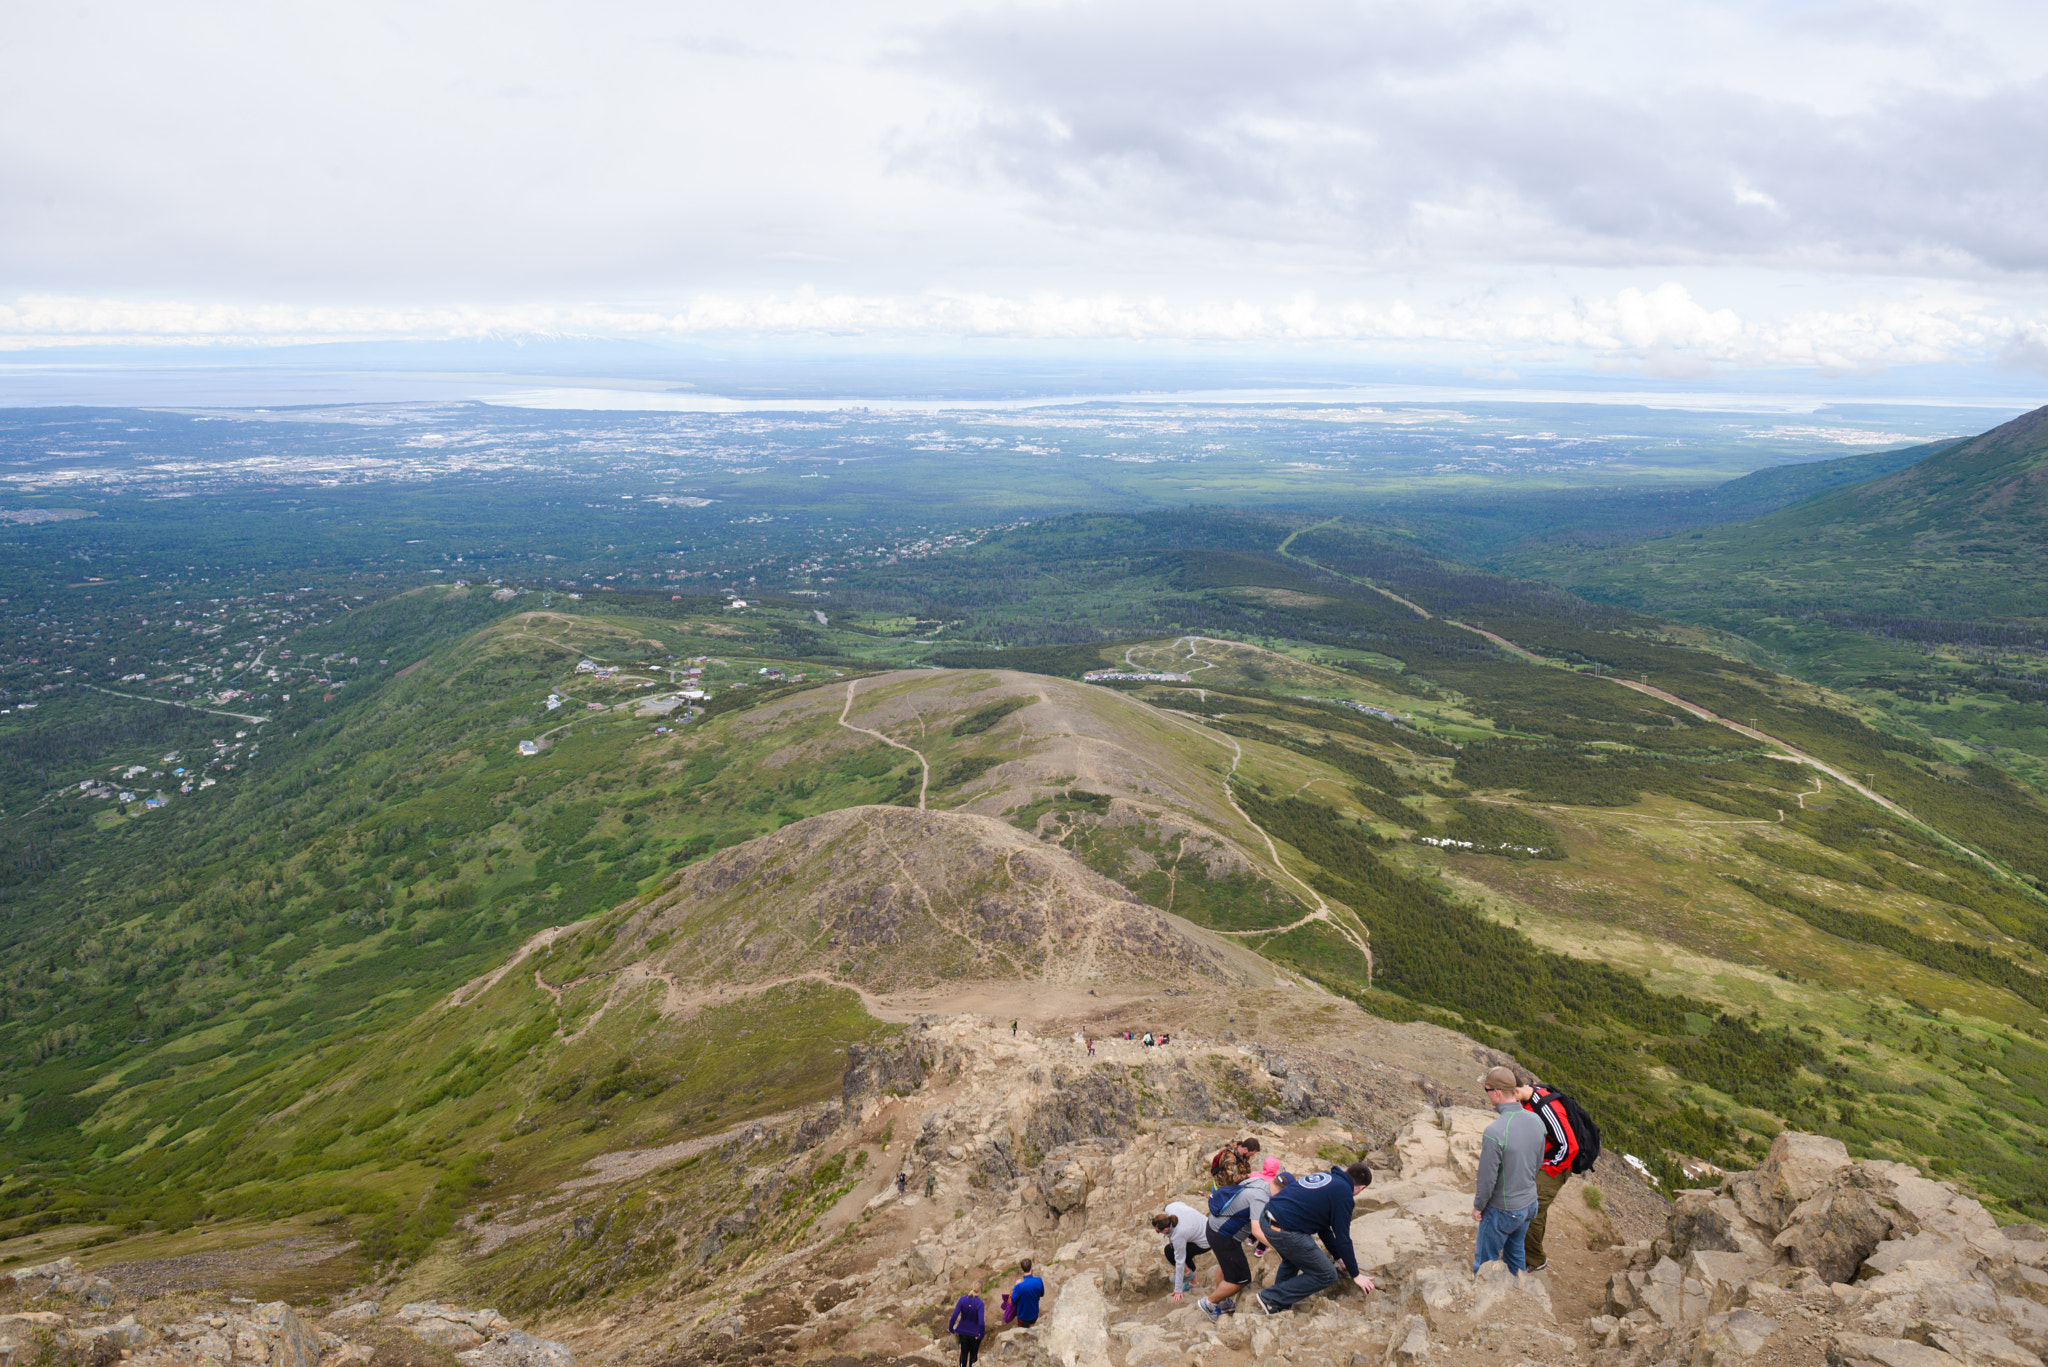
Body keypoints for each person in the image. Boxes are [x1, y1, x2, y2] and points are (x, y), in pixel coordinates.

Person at [1247, 1162, 1376, 1313]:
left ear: (1346, 1170)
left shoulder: (1327, 1177)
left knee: (1292, 1260)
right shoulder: (1344, 1195)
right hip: (1283, 1229)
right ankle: (1271, 1298)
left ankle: (1277, 1306)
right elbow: (1343, 1237)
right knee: (1327, 1274)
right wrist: (1355, 1274)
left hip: (1266, 1217)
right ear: (1362, 1188)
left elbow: (1324, 1227)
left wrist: (1339, 1256)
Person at [1471, 1066, 1544, 1275]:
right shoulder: (1536, 1121)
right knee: (1515, 1251)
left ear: (1497, 1092)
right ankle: (1518, 1294)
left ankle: (1486, 1302)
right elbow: (1538, 1162)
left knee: (1485, 1262)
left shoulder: (1495, 1132)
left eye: (1486, 1090)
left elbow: (1487, 1179)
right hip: (1529, 1203)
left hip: (1503, 1208)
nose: (1487, 1094)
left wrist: (1478, 1206)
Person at [1196, 1163, 1276, 1321]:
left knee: (1226, 1266)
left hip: (1214, 1227)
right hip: (1223, 1235)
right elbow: (1256, 1230)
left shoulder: (1258, 1182)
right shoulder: (1261, 1198)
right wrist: (1277, 1247)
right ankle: (1209, 1303)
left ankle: (1224, 1301)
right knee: (1241, 1279)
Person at [1516, 1080, 1578, 1273]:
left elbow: (1570, 1146)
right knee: (1529, 1206)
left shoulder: (1544, 1106)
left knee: (1531, 1209)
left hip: (1554, 1165)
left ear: (1516, 1090)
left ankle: (1534, 1259)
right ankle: (1523, 1250)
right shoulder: (1524, 1099)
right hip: (1541, 1160)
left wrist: (1551, 1169)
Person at [1152, 1203, 1211, 1301]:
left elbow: (1179, 1261)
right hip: (1206, 1227)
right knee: (1180, 1251)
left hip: (1207, 1241)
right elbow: (1177, 1203)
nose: (1157, 1232)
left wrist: (1178, 1289)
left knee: (1170, 1252)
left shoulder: (1178, 1235)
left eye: (1158, 1231)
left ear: (1166, 1229)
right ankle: (1193, 1282)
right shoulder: (1170, 1208)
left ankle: (1188, 1275)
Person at [947, 1290, 986, 1367]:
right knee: (973, 1355)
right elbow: (981, 1322)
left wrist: (951, 1328)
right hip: (975, 1334)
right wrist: (981, 1335)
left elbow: (954, 1316)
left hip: (963, 1331)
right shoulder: (980, 1303)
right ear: (980, 1291)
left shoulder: (962, 1299)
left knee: (963, 1353)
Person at [1010, 1259, 1045, 1328]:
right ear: (1031, 1267)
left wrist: (1016, 1286)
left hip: (1023, 1317)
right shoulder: (1039, 1280)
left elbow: (1013, 1300)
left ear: (1022, 1270)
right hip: (1035, 1314)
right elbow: (1042, 1294)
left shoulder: (1019, 1286)